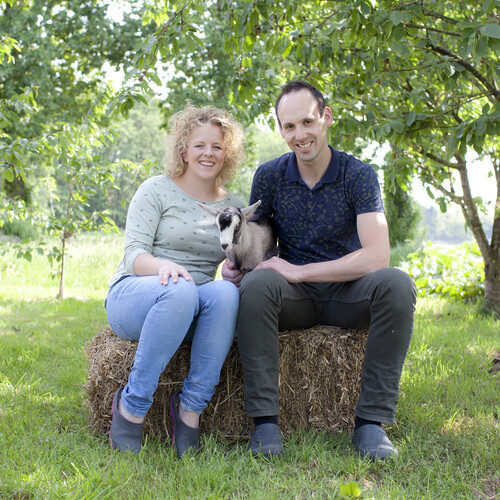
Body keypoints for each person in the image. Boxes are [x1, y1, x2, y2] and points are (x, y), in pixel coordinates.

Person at [223, 81, 417, 460]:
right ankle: (264, 423)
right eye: (289, 126)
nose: (300, 135)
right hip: (294, 302)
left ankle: (371, 425)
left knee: (397, 283)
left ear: (326, 118)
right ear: (280, 129)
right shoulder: (269, 175)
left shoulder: (358, 175)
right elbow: (256, 242)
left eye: (307, 122)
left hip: (350, 292)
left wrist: (300, 272)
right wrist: (236, 267)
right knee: (259, 282)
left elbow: (377, 256)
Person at [106, 104, 246, 457]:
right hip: (139, 294)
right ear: (183, 149)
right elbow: (133, 255)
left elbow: (237, 263)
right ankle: (132, 407)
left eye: (217, 146)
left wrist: (236, 271)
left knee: (226, 293)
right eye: (200, 145)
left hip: (192, 305)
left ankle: (189, 411)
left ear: (227, 153)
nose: (208, 153)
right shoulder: (156, 190)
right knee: (180, 291)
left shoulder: (234, 206)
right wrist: (163, 266)